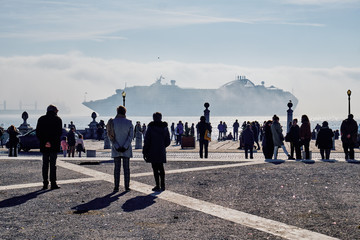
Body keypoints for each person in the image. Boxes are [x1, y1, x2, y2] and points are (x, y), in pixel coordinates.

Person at [106, 106, 133, 192]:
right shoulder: (129, 122)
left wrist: (117, 146)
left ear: (117, 111)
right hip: (127, 149)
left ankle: (116, 186)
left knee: (116, 168)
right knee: (126, 169)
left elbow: (111, 137)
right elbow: (131, 136)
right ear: (125, 112)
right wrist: (125, 146)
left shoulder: (112, 122)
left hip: (115, 148)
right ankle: (127, 186)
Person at [36, 105, 62, 190]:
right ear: (54, 111)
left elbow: (38, 133)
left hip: (44, 146)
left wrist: (45, 142)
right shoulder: (58, 120)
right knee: (53, 165)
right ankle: (53, 183)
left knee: (45, 164)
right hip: (54, 146)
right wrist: (51, 142)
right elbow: (58, 133)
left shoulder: (41, 119)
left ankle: (45, 183)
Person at [143, 112, 171, 191]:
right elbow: (168, 141)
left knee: (155, 168)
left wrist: (145, 151)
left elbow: (147, 140)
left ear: (153, 118)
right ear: (161, 118)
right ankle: (163, 185)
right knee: (161, 167)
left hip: (152, 150)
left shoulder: (151, 127)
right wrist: (162, 146)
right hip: (161, 150)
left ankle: (157, 185)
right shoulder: (165, 128)